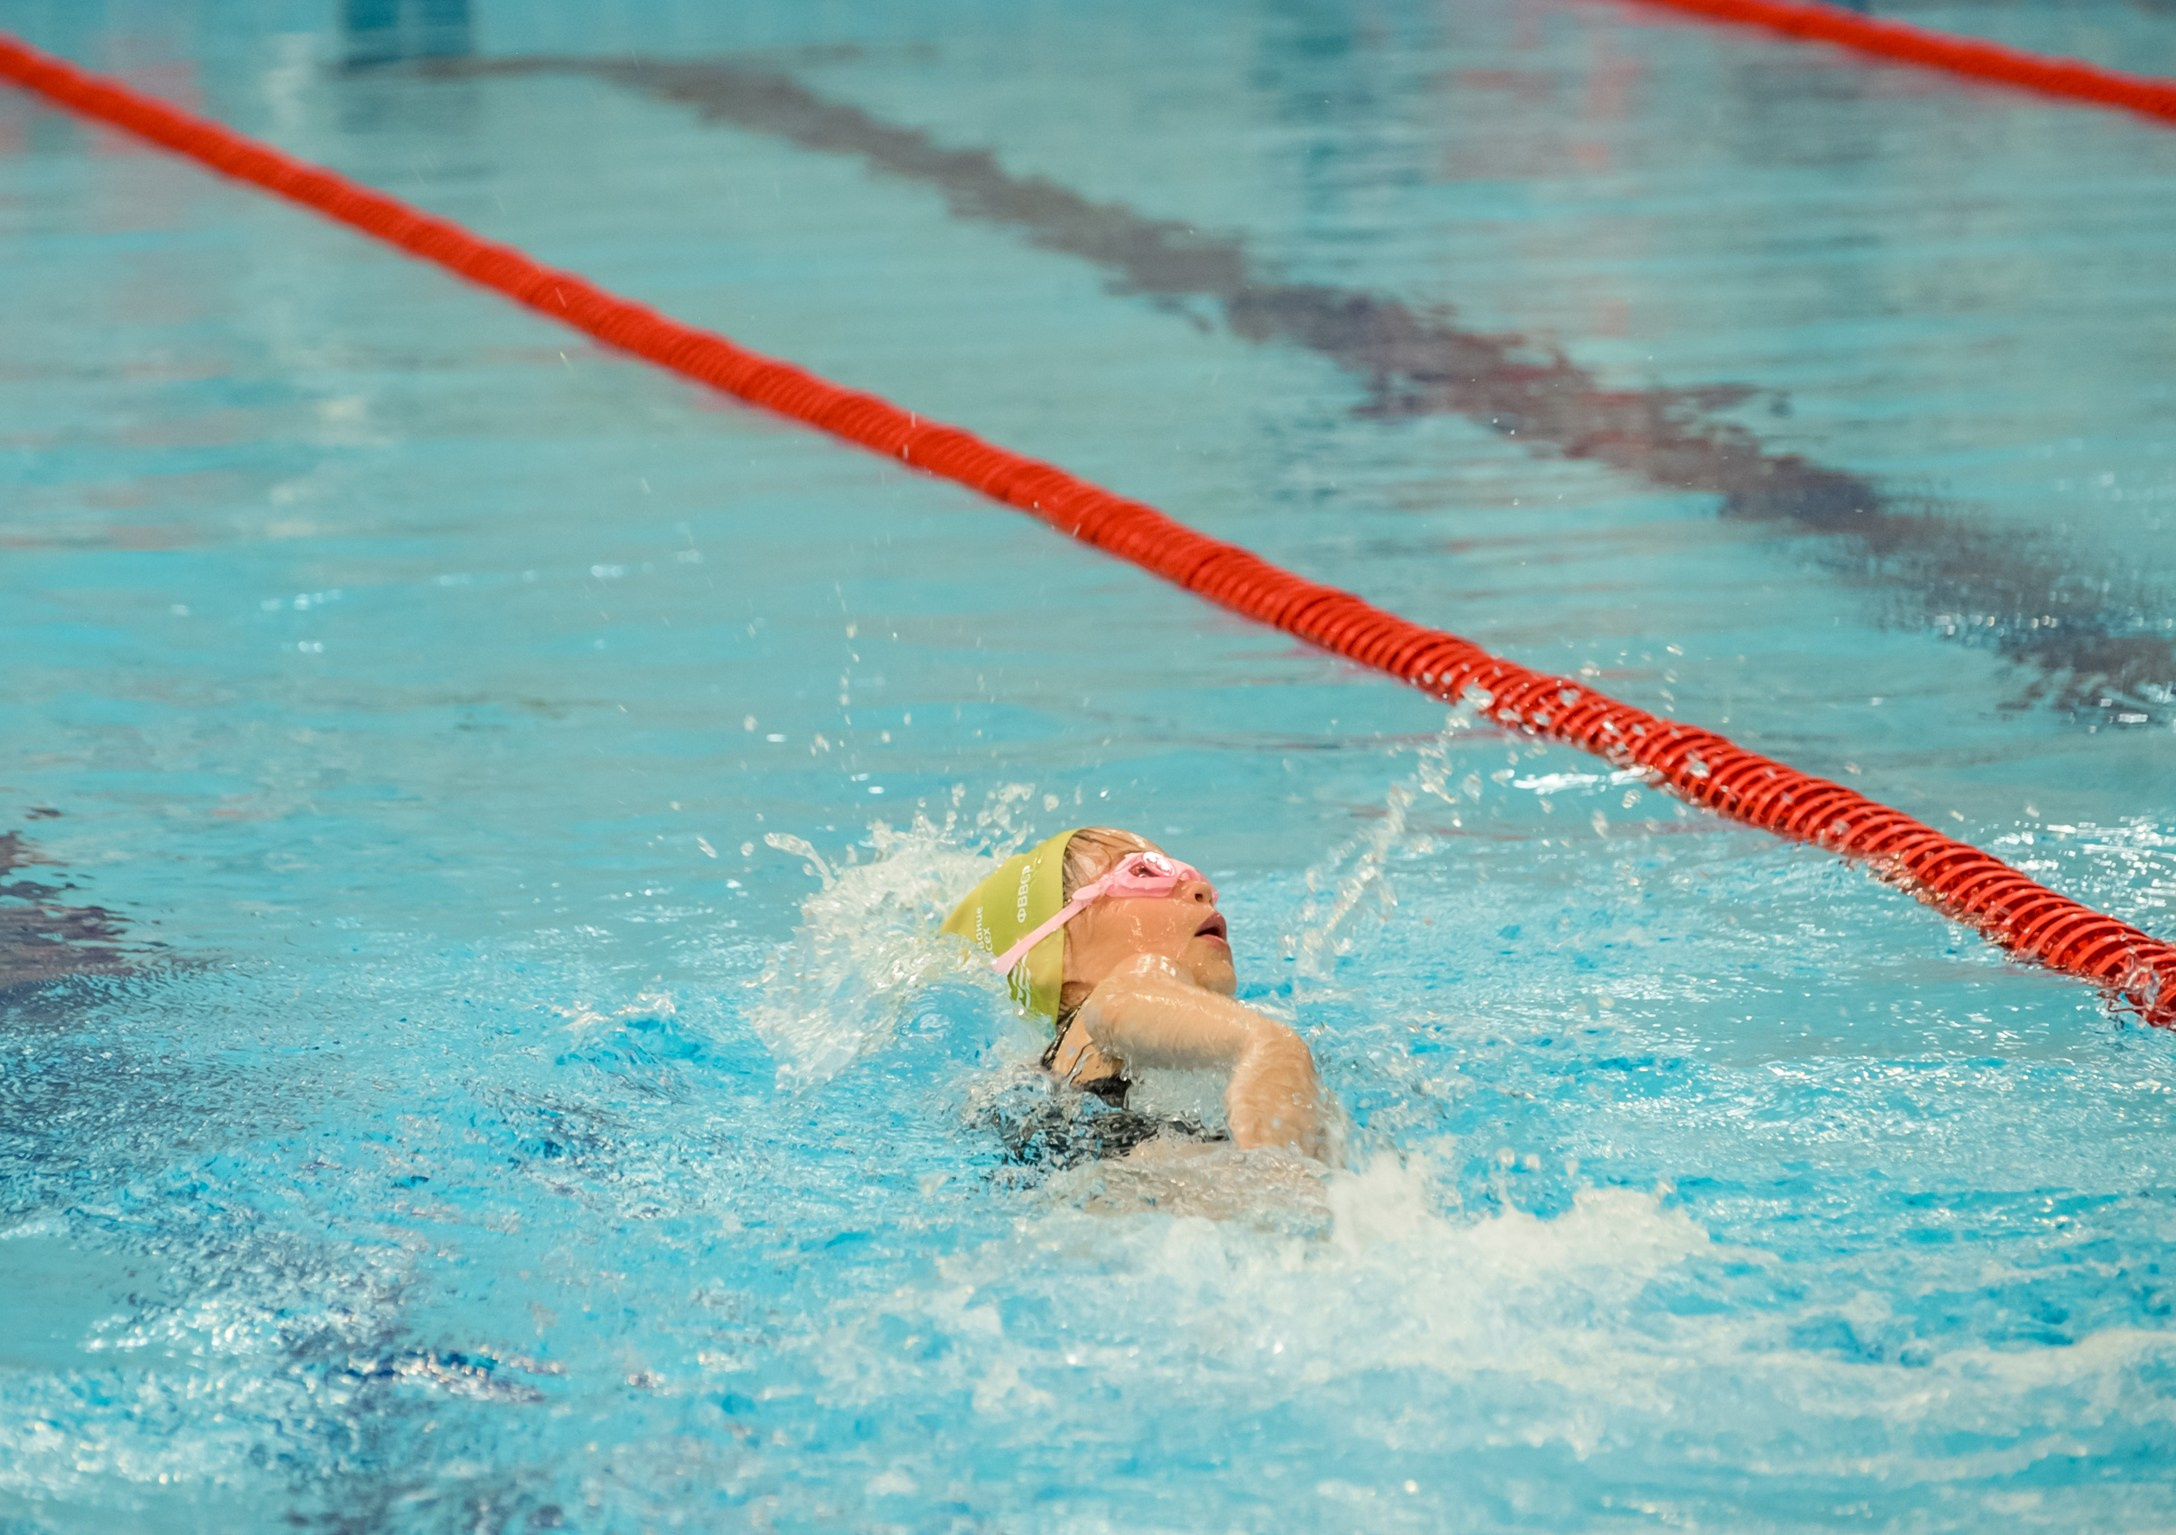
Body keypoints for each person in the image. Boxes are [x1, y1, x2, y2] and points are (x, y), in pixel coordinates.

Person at [944, 827, 1323, 1158]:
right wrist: (1271, 1048)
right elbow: (1118, 1004)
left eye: (1190, 874)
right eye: (1144, 872)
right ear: (1057, 959)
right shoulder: (1108, 1006)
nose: (1202, 889)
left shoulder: (1051, 1081)